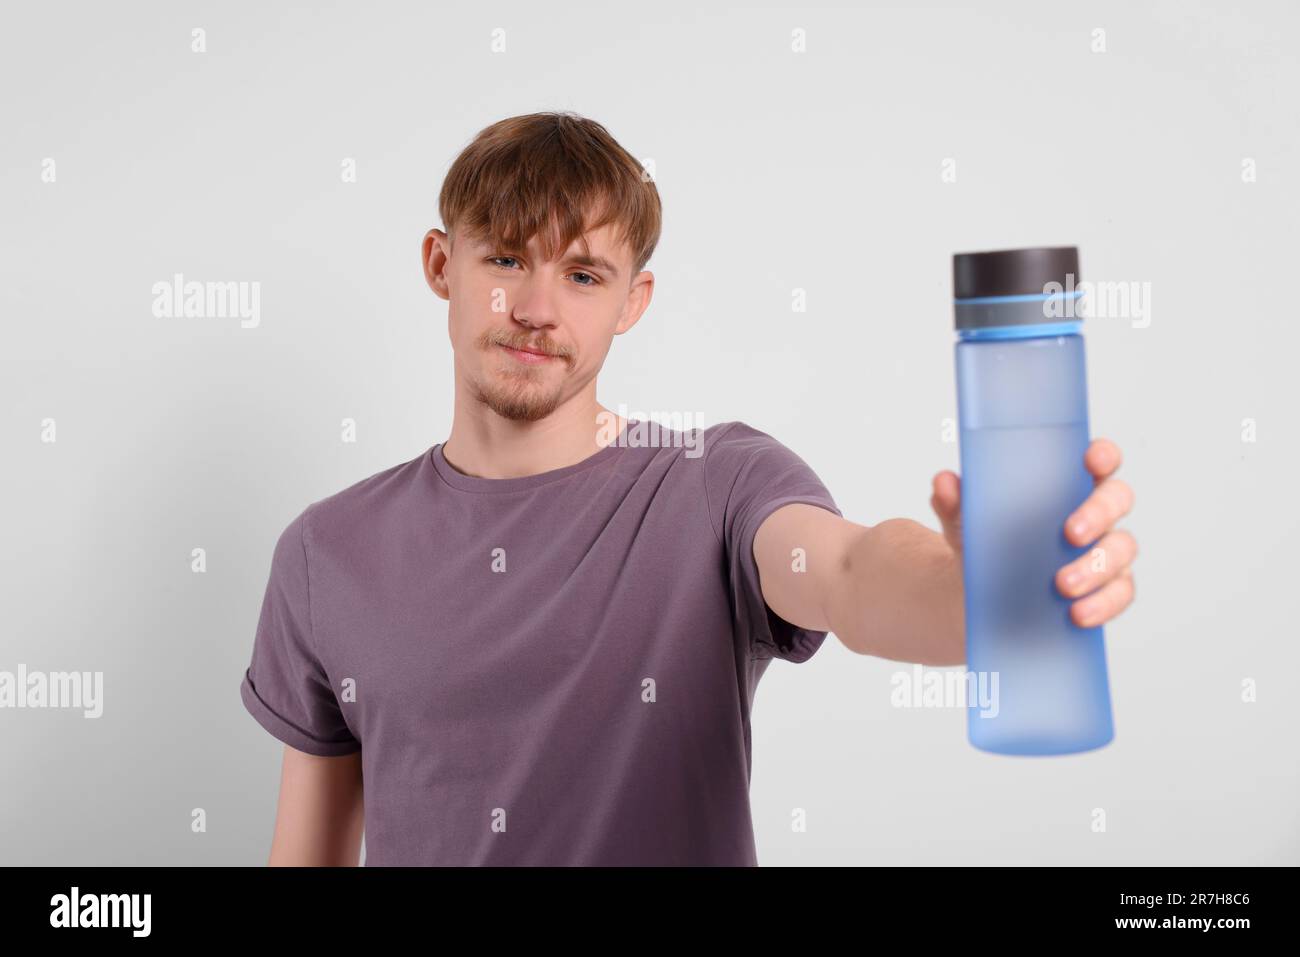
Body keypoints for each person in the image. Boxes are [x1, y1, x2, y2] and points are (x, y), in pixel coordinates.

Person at [238, 111, 1138, 866]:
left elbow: (856, 574)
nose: (538, 308)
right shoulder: (328, 549)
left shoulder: (717, 484)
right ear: (442, 264)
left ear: (633, 300)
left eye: (583, 274)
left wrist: (983, 588)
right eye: (507, 260)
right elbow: (307, 852)